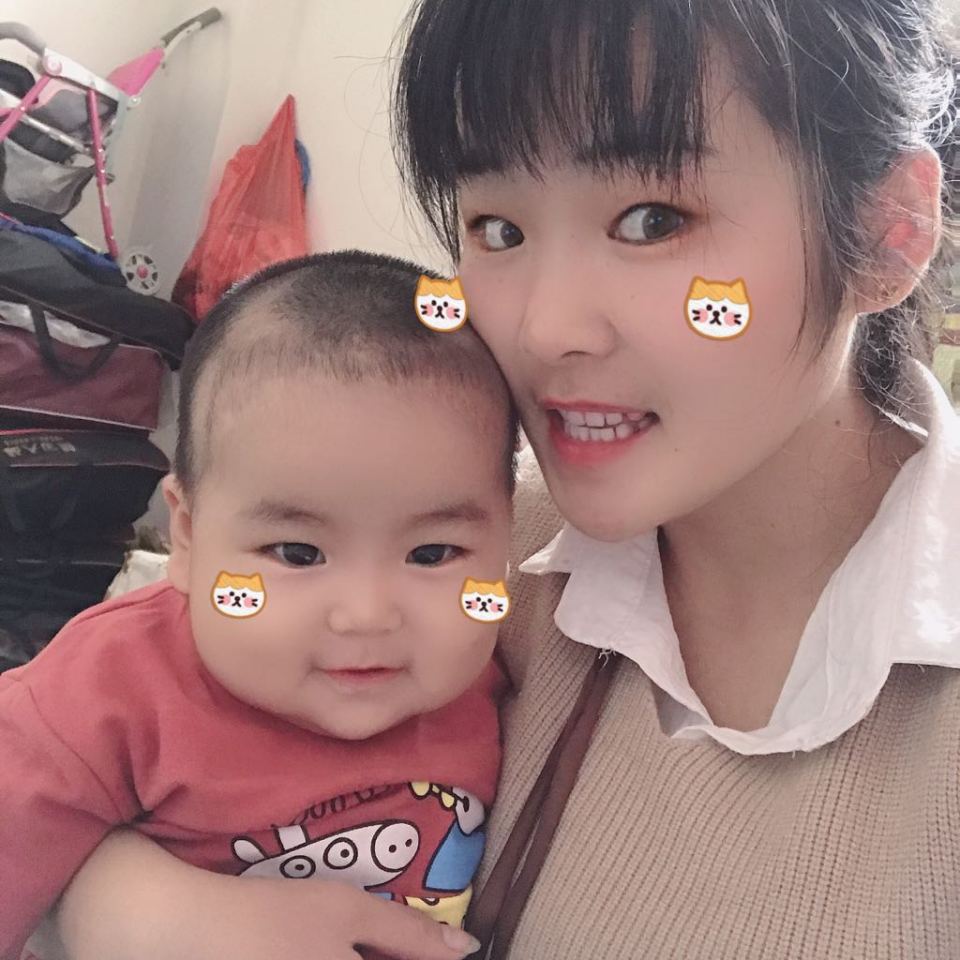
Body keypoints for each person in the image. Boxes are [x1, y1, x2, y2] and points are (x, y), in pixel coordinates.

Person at [38, 0, 960, 957]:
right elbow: (81, 740)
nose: (543, 329)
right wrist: (130, 905)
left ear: (885, 231)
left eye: (653, 220)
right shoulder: (461, 555)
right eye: (497, 228)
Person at [0, 251, 521, 960]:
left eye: (432, 554)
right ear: (188, 536)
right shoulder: (104, 690)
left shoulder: (493, 674)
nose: (366, 616)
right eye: (298, 554)